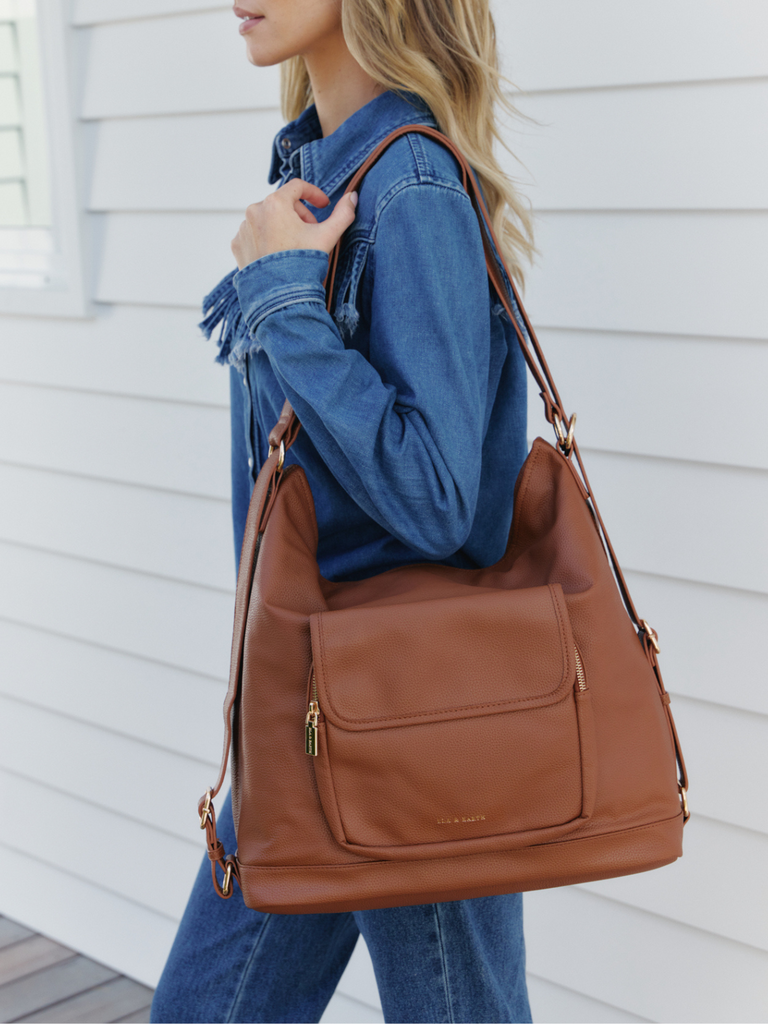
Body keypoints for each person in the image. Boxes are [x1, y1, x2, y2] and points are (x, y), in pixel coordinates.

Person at [151, 1, 536, 1020]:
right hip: (310, 708)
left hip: (409, 713)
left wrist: (282, 293)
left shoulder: (408, 187)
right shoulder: (325, 176)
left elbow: (440, 496)